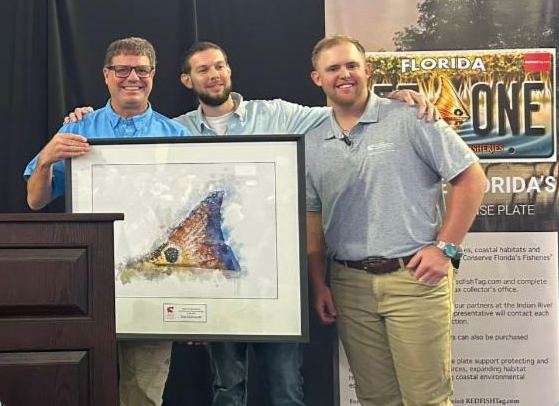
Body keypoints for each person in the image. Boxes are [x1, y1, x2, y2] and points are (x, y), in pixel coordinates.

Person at [66, 41, 437, 406]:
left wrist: (390, 102)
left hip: (275, 279)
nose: (214, 75)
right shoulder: (176, 132)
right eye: (203, 69)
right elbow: (164, 211)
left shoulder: (276, 113)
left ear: (229, 70)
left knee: (286, 388)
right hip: (218, 278)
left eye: (219, 66)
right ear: (186, 80)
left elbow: (342, 109)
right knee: (227, 388)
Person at [305, 35, 486, 406]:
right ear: (317, 79)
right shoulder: (311, 138)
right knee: (376, 399)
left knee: (427, 400)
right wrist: (318, 283)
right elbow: (312, 216)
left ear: (367, 70)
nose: (344, 74)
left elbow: (472, 179)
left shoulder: (410, 116)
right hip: (349, 285)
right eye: (333, 68)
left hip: (413, 280)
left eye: (352, 65)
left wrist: (446, 249)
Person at [23, 37, 190, 406]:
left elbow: (188, 221)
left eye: (141, 70)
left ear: (153, 74)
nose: (132, 77)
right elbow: (35, 200)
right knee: (81, 385)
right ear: (106, 74)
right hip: (87, 281)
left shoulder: (178, 137)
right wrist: (47, 157)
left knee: (144, 392)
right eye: (122, 69)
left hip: (153, 283)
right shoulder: (77, 128)